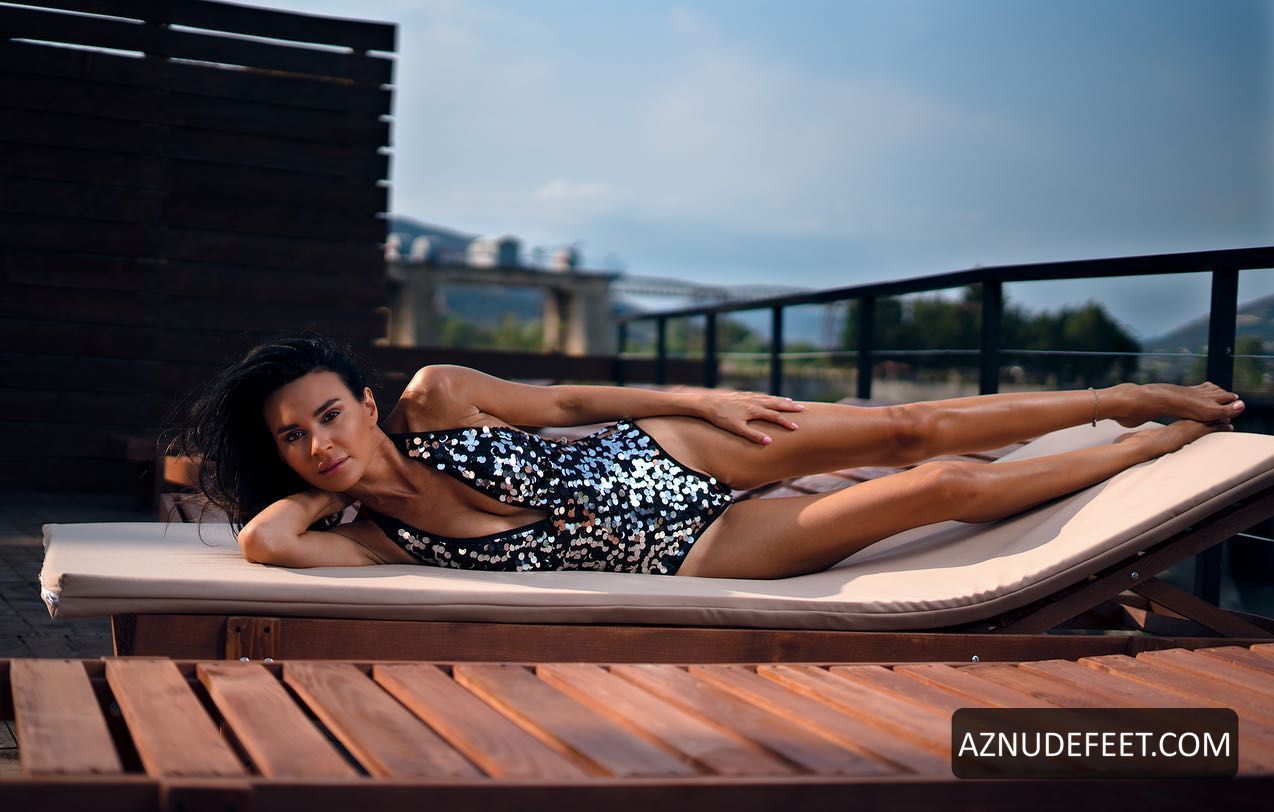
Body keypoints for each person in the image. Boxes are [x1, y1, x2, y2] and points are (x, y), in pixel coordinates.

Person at [179, 334, 1245, 579]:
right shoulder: (374, 541)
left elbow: (571, 400)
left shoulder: (438, 398)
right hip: (694, 551)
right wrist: (325, 493)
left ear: (367, 401)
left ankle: (1125, 396)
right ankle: (1153, 447)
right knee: (939, 488)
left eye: (329, 414)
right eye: (293, 437)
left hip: (656, 452)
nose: (320, 442)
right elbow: (267, 542)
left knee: (906, 428)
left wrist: (700, 395)